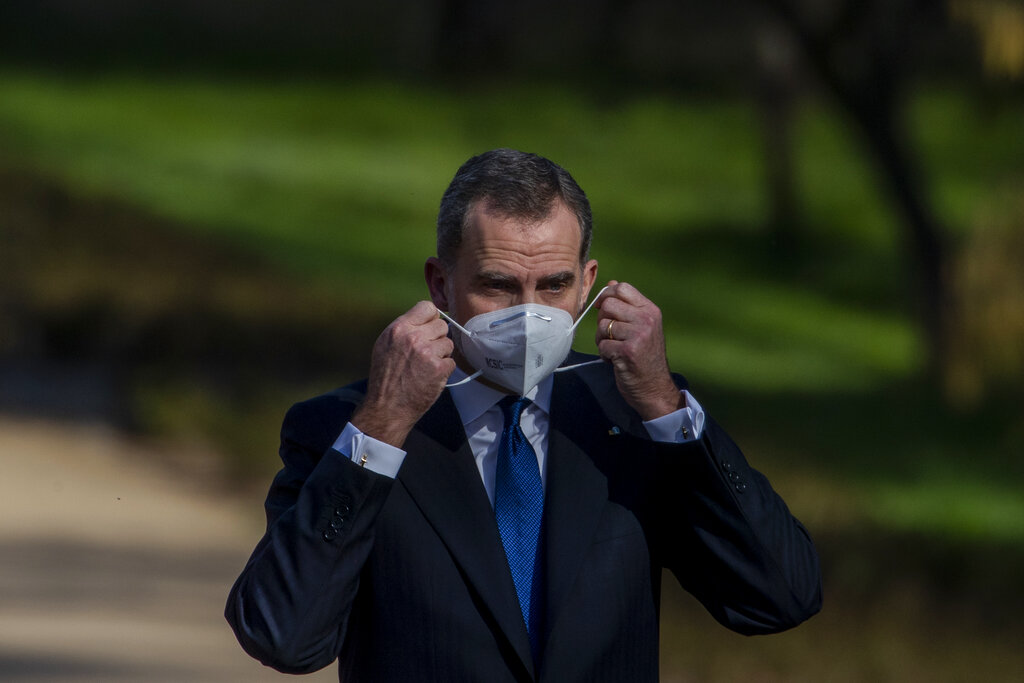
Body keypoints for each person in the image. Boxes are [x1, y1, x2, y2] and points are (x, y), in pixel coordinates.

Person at [226, 148, 821, 682]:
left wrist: (666, 406)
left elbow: (779, 597)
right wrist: (382, 424)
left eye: (555, 284)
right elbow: (283, 637)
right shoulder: (348, 428)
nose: (529, 312)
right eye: (499, 285)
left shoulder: (634, 417)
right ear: (440, 284)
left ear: (588, 284)